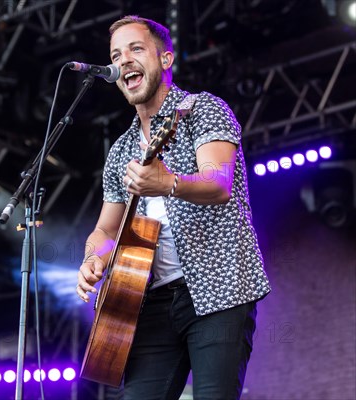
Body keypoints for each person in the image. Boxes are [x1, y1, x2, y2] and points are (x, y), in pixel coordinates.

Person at [76, 15, 271, 400]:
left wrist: (167, 182)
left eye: (135, 49)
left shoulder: (203, 110)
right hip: (149, 301)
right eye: (116, 55)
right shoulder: (119, 151)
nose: (124, 60)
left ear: (165, 59)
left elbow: (219, 184)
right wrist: (93, 259)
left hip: (218, 292)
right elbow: (105, 230)